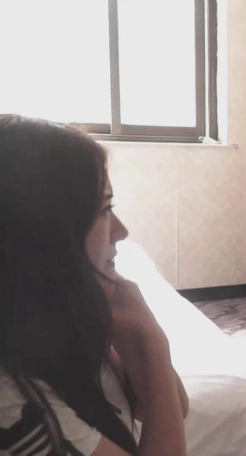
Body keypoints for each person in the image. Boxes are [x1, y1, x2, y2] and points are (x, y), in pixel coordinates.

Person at [0, 115, 189, 455]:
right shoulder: (14, 403)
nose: (121, 231)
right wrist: (153, 342)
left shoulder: (60, 315)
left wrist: (142, 336)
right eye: (103, 210)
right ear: (39, 235)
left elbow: (164, 406)